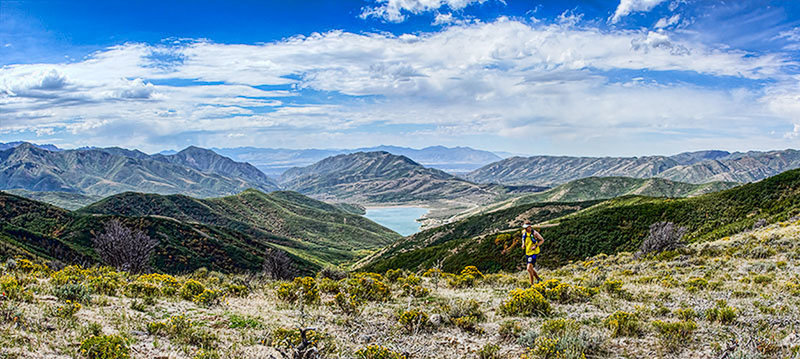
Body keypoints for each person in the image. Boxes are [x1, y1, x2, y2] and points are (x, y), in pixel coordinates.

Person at [521, 220, 544, 285]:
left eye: (526, 227)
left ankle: (531, 284)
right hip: (527, 252)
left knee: (528, 268)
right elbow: (523, 238)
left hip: (534, 252)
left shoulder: (535, 233)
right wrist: (523, 244)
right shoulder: (524, 232)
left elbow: (542, 240)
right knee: (530, 268)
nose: (525, 229)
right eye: (524, 227)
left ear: (530, 227)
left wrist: (535, 246)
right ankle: (538, 279)